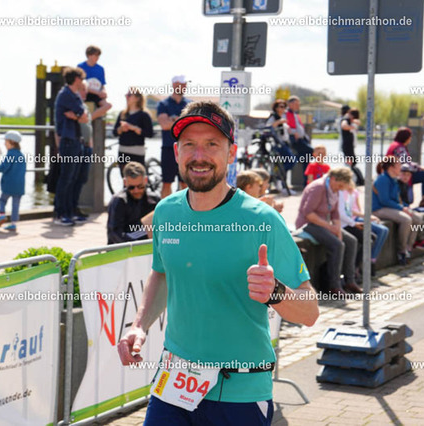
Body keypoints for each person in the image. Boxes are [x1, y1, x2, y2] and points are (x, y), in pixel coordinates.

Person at [117, 101, 318, 425]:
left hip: (240, 391)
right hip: (174, 383)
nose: (199, 156)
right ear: (177, 152)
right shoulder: (166, 212)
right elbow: (162, 274)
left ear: (231, 153)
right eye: (189, 145)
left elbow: (309, 312)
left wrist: (276, 292)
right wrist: (139, 325)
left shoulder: (262, 220)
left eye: (212, 144)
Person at [296, 167, 362, 294]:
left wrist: (337, 230)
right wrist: (330, 227)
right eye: (339, 186)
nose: (339, 189)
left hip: (323, 224)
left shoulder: (334, 189)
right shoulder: (318, 188)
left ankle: (350, 280)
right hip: (309, 224)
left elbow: (335, 213)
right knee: (337, 245)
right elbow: (308, 213)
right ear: (333, 179)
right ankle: (334, 285)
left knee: (351, 241)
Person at [372, 156, 424, 266]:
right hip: (379, 209)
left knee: (418, 218)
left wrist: (406, 207)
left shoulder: (394, 180)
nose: (400, 167)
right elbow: (384, 200)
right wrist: (402, 208)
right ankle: (401, 251)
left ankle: (408, 248)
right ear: (391, 167)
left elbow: (397, 199)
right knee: (406, 219)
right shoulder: (383, 179)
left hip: (391, 207)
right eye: (398, 165)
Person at [53, 67, 90, 226]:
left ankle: (70, 211)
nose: (82, 82)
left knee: (74, 178)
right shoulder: (66, 95)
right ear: (76, 79)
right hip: (68, 141)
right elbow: (82, 114)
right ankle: (60, 214)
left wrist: (75, 116)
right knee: (66, 178)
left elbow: (84, 117)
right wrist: (78, 116)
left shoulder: (74, 95)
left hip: (75, 141)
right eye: (81, 79)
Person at [338, 179, 389, 277]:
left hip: (352, 220)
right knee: (366, 239)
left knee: (377, 234)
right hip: (348, 222)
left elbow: (356, 209)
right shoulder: (342, 193)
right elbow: (346, 212)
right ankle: (356, 267)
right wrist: (358, 221)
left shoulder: (354, 192)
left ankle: (370, 260)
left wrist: (366, 217)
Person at [107, 162, 160, 244]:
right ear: (125, 182)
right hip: (125, 246)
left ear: (145, 180)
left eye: (140, 186)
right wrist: (135, 246)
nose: (136, 190)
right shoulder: (119, 201)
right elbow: (114, 233)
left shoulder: (154, 200)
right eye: (131, 187)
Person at [157, 75, 191, 199]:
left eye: (184, 84)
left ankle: (186, 209)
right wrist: (183, 121)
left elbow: (192, 125)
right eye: (180, 84)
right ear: (174, 85)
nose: (183, 86)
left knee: (186, 183)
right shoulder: (163, 104)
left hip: (187, 148)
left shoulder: (190, 104)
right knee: (167, 183)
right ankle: (165, 209)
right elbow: (164, 125)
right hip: (168, 148)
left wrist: (174, 120)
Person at [113, 88, 154, 173]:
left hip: (137, 152)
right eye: (126, 95)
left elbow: (150, 133)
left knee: (138, 178)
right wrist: (121, 129)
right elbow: (114, 132)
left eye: (129, 95)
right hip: (123, 151)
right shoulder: (122, 114)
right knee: (125, 179)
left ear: (137, 98)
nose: (126, 97)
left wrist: (134, 128)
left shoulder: (144, 115)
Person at [386, 127, 424, 197]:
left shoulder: (393, 145)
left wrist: (417, 166)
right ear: (406, 138)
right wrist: (420, 168)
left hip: (392, 173)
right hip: (400, 175)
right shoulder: (400, 148)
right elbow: (406, 166)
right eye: (410, 137)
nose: (410, 139)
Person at [0, 131, 26, 232]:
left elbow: (4, 167)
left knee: (2, 200)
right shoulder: (21, 155)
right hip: (20, 185)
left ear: (12, 142)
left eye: (6, 141)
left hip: (8, 184)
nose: (4, 144)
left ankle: (2, 215)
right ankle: (13, 224)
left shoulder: (10, 154)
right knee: (15, 205)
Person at [265, 99, 296, 191]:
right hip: (277, 144)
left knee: (287, 162)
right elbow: (268, 127)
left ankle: (281, 181)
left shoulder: (282, 117)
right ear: (276, 108)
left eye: (284, 107)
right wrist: (279, 122)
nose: (283, 109)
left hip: (284, 143)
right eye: (281, 107)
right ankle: (279, 179)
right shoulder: (273, 117)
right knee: (291, 161)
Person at [285, 96, 314, 182]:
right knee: (311, 152)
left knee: (307, 158)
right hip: (295, 140)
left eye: (298, 104)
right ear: (290, 104)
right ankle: (295, 158)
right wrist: (294, 132)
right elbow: (285, 126)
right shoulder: (286, 113)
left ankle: (306, 180)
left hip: (301, 139)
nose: (298, 106)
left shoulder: (295, 114)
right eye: (296, 104)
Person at [77, 45, 112, 113]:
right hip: (84, 93)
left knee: (108, 105)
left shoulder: (100, 69)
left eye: (98, 55)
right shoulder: (81, 67)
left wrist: (104, 92)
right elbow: (79, 84)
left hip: (96, 94)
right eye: (95, 55)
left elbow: (102, 85)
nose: (97, 57)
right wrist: (97, 92)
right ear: (89, 55)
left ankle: (91, 118)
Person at [340, 108, 364, 185]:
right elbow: (343, 126)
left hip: (350, 146)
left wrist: (353, 122)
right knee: (349, 163)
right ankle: (351, 180)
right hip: (347, 146)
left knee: (352, 163)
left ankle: (355, 180)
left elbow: (358, 122)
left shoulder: (351, 120)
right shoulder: (346, 120)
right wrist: (352, 127)